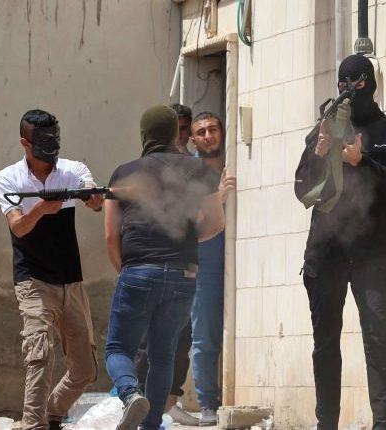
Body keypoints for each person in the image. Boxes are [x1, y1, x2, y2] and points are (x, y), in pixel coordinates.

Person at [294, 53, 386, 430]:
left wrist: (364, 162)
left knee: (378, 344)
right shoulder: (324, 130)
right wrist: (319, 153)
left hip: (372, 257)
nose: (349, 91)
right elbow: (302, 190)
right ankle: (326, 423)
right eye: (342, 85)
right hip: (325, 254)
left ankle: (383, 424)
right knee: (325, 346)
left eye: (356, 83)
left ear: (370, 84)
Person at [104, 105, 233, 430]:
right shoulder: (199, 171)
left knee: (118, 348)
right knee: (164, 354)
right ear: (176, 133)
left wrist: (126, 271)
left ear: (144, 134)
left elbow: (110, 235)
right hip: (183, 274)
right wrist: (183, 244)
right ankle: (151, 425)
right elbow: (216, 223)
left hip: (138, 271)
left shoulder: (124, 173)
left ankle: (130, 394)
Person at [0, 109, 102, 430]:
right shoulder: (8, 179)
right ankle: (32, 425)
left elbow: (93, 196)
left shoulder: (71, 170)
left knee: (85, 370)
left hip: (70, 280)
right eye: (43, 140)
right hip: (33, 279)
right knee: (39, 355)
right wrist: (41, 207)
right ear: (25, 143)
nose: (51, 146)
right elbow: (18, 227)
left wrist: (90, 195)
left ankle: (53, 412)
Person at [133, 103, 198, 427]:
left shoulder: (192, 168)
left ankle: (164, 406)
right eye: (177, 129)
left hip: (181, 267)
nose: (181, 135)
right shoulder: (144, 168)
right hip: (150, 266)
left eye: (186, 129)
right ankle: (137, 402)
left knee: (180, 336)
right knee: (147, 342)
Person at [189, 112, 227, 426]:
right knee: (205, 335)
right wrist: (220, 198)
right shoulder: (189, 174)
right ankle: (207, 404)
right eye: (200, 132)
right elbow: (191, 224)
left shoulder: (233, 166)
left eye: (212, 130)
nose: (207, 136)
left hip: (236, 260)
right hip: (204, 264)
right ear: (193, 139)